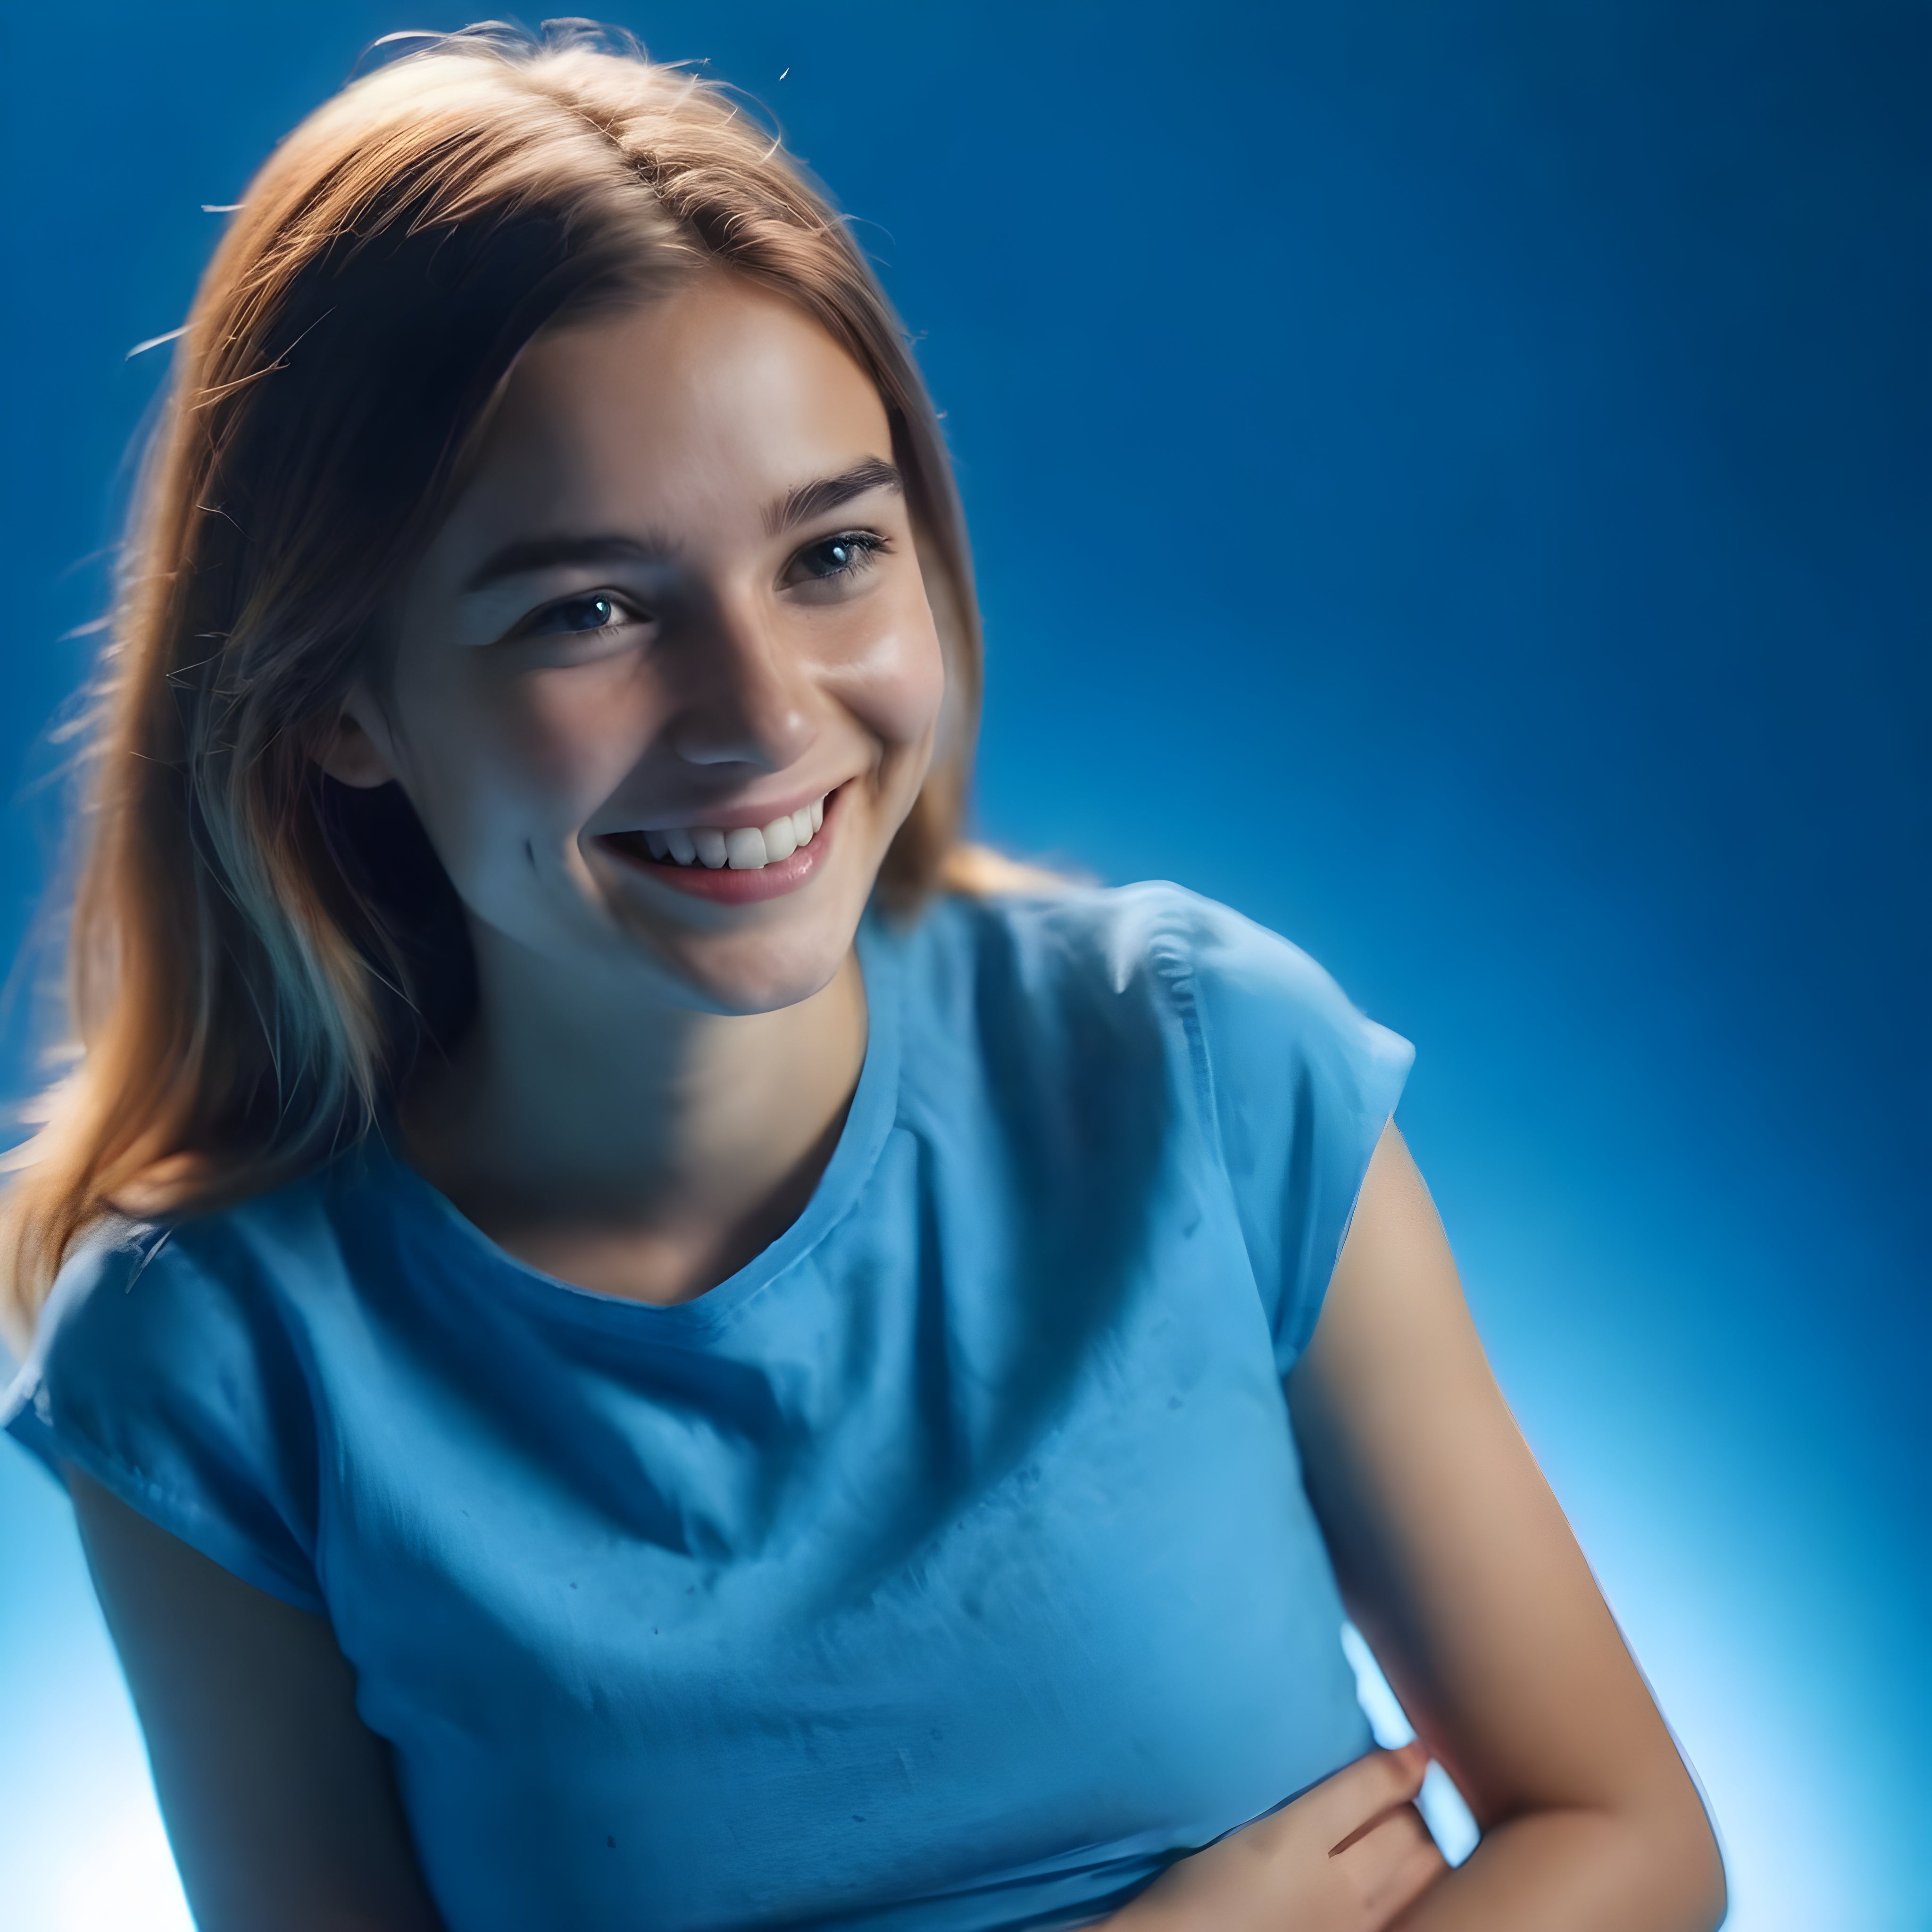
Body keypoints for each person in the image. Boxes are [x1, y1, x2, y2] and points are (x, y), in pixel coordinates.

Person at [0, 23, 1725, 1932]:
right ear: (337, 704)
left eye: (829, 552)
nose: (759, 716)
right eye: (589, 610)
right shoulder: (215, 1363)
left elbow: (1628, 1843)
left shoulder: (1203, 1069)